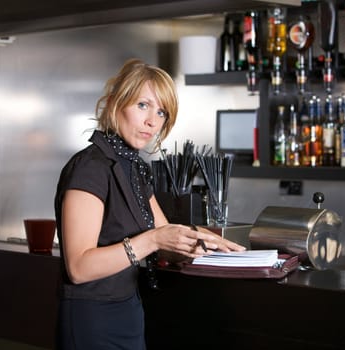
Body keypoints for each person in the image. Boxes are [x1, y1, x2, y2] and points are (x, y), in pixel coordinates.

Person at [53, 58, 245, 350]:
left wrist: (206, 243)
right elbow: (79, 267)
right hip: (91, 318)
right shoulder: (90, 168)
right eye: (143, 105)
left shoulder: (134, 167)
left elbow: (165, 236)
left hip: (129, 311)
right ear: (117, 102)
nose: (152, 121)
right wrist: (153, 239)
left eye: (161, 112)